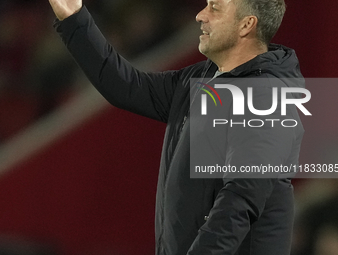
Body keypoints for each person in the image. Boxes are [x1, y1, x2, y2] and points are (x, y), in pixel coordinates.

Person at [48, 0, 305, 254]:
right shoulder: (201, 80)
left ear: (246, 25)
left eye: (215, 7)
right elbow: (126, 86)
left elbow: (239, 201)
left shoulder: (267, 98)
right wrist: (73, 17)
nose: (200, 15)